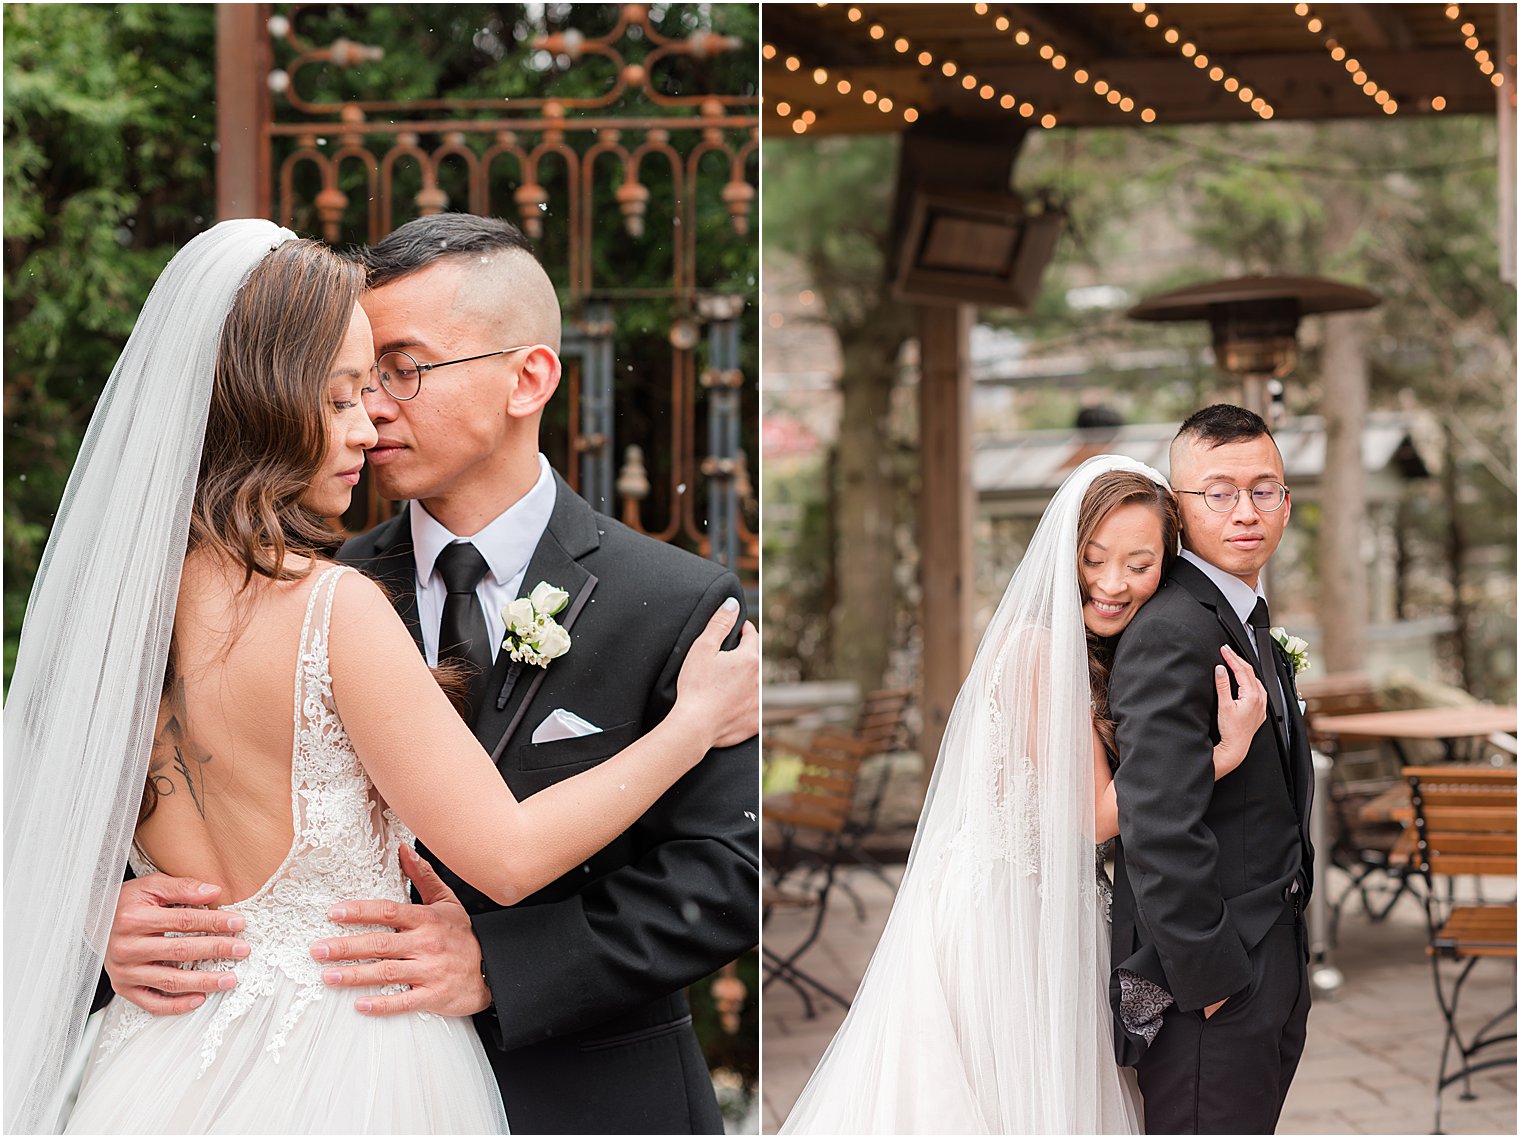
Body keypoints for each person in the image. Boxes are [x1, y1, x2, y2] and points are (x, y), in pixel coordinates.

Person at [3, 219, 759, 1134]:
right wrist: (100, 918)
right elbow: (506, 853)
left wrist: (509, 965)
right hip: (357, 1076)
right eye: (350, 390)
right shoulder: (338, 595)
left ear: (530, 378)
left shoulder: (680, 602)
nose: (375, 415)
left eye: (399, 372)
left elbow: (734, 870)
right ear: (274, 399)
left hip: (570, 1094)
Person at [779, 454, 1266, 1134]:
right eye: (1094, 560)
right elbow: (1096, 817)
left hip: (1041, 903)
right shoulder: (1038, 652)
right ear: (1066, 555)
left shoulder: (1095, 649)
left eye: (1139, 563)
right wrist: (1224, 754)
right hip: (1002, 915)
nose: (1112, 583)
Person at [1108, 405, 1314, 1134]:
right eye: (1218, 492)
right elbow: (1155, 823)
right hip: (1210, 984)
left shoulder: (1241, 614)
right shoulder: (1171, 630)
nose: (1245, 511)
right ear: (1178, 510)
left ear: (1287, 502)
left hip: (1270, 953)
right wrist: (1213, 978)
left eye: (1264, 489)